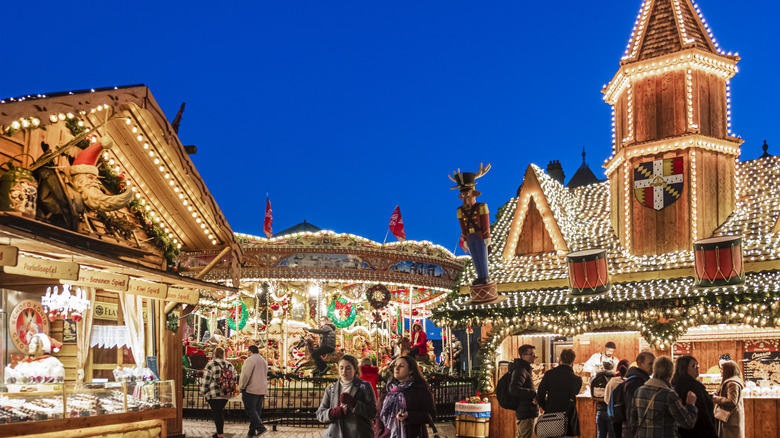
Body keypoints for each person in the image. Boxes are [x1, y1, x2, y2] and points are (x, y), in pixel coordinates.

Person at [630, 356, 698, 437]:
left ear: (654, 370)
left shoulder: (639, 391)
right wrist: (691, 405)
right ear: (671, 372)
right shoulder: (669, 395)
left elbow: (633, 420)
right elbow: (688, 423)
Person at [375, 356, 436, 438]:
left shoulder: (421, 389)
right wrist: (379, 434)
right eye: (395, 365)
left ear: (411, 371)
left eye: (401, 366)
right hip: (387, 435)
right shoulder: (387, 390)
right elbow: (379, 415)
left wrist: (409, 416)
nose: (397, 368)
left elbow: (431, 415)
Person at [316, 355, 377, 438]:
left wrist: (354, 404)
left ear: (355, 369)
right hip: (335, 434)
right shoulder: (330, 389)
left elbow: (372, 412)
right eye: (341, 368)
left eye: (348, 368)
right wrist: (334, 412)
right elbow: (320, 414)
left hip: (358, 434)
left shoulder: (365, 386)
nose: (344, 371)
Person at [452, 165, 492, 285]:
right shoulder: (460, 210)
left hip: (480, 235)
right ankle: (480, 276)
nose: (465, 198)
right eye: (463, 195)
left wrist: (487, 237)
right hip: (470, 236)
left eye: (467, 194)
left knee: (482, 257)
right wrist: (464, 239)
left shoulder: (481, 206)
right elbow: (462, 226)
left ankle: (485, 276)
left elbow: (485, 222)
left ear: (473, 193)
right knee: (475, 257)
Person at [537, 348, 582, 438]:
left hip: (551, 414)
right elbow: (574, 393)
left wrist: (546, 407)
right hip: (568, 416)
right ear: (573, 361)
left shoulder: (549, 374)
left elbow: (540, 395)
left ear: (560, 359)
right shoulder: (577, 380)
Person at [672, 355, 717, 438]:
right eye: (693, 366)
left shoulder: (675, 385)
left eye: (697, 365)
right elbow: (704, 414)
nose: (697, 368)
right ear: (685, 368)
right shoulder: (694, 387)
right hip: (699, 431)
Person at [200, 347, 236, 438]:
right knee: (219, 412)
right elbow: (234, 378)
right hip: (226, 393)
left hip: (214, 393)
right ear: (224, 354)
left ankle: (220, 434)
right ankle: (219, 432)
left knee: (218, 413)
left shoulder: (210, 364)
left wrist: (203, 391)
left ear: (214, 354)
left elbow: (206, 379)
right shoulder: (230, 365)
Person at [622, 351, 655, 438]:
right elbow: (630, 407)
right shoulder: (636, 382)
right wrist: (633, 432)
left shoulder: (638, 379)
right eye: (650, 364)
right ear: (640, 363)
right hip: (634, 430)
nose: (653, 367)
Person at [508, 344, 539, 438]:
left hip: (527, 410)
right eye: (531, 354)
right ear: (524, 356)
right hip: (525, 411)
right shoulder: (520, 370)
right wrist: (533, 393)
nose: (534, 356)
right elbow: (514, 389)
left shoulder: (525, 369)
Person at [239, 344, 268, 438]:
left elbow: (245, 375)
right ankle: (251, 432)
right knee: (257, 411)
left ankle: (260, 427)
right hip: (261, 389)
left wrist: (242, 386)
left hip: (251, 389)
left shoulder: (250, 360)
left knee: (249, 409)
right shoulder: (263, 360)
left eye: (248, 352)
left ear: (250, 351)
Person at [712, 360, 744, 438]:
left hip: (730, 419)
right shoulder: (730, 381)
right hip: (728, 417)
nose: (721, 371)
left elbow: (732, 401)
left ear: (728, 370)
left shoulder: (732, 383)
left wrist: (715, 399)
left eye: (722, 369)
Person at [604, 359, 630, 438]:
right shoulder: (629, 381)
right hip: (627, 415)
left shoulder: (612, 382)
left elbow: (606, 399)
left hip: (615, 415)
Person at [591, 360, 616, 438]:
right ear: (612, 367)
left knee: (600, 434)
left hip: (599, 410)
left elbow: (593, 396)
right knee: (612, 435)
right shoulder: (614, 378)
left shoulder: (595, 377)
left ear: (603, 366)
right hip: (611, 411)